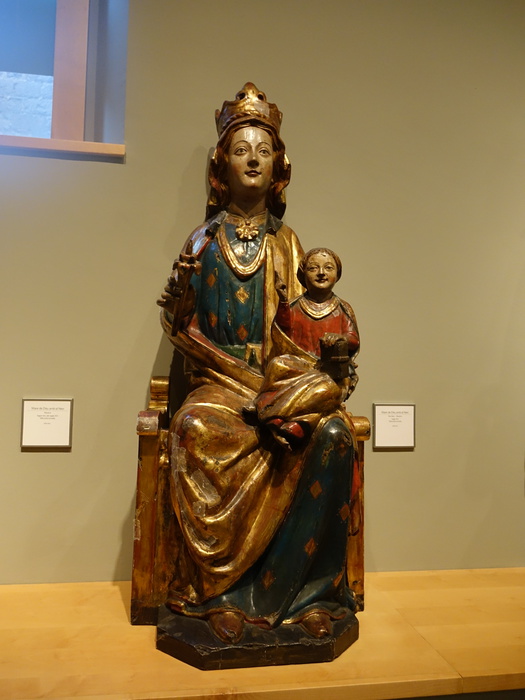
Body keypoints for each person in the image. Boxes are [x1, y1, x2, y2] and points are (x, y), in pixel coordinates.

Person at [157, 84, 359, 645]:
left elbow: (305, 322)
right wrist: (177, 304)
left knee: (334, 433)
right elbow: (180, 325)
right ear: (222, 165)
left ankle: (305, 593)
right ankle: (218, 594)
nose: (252, 159)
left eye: (263, 151)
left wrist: (320, 365)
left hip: (277, 381)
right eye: (241, 149)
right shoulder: (203, 241)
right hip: (218, 386)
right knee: (195, 428)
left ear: (279, 168)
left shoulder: (288, 244)